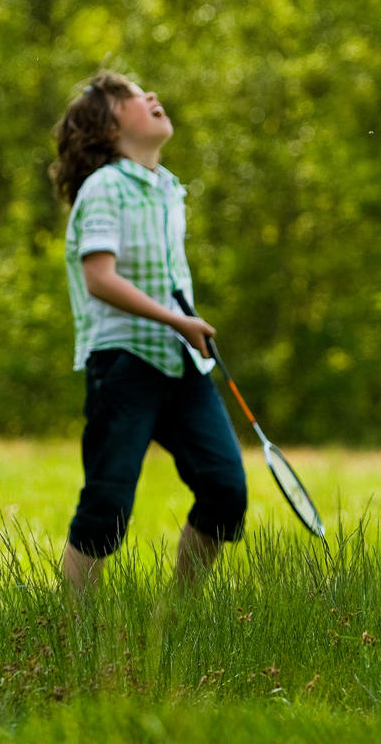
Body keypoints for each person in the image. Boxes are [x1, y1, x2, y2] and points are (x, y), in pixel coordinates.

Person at [48, 70, 247, 594]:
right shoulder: (105, 186)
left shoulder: (167, 188)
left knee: (225, 492)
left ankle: (178, 616)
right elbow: (99, 278)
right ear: (109, 129)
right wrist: (178, 320)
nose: (152, 97)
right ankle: (69, 626)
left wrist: (183, 327)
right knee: (107, 504)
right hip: (123, 363)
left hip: (179, 361)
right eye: (133, 99)